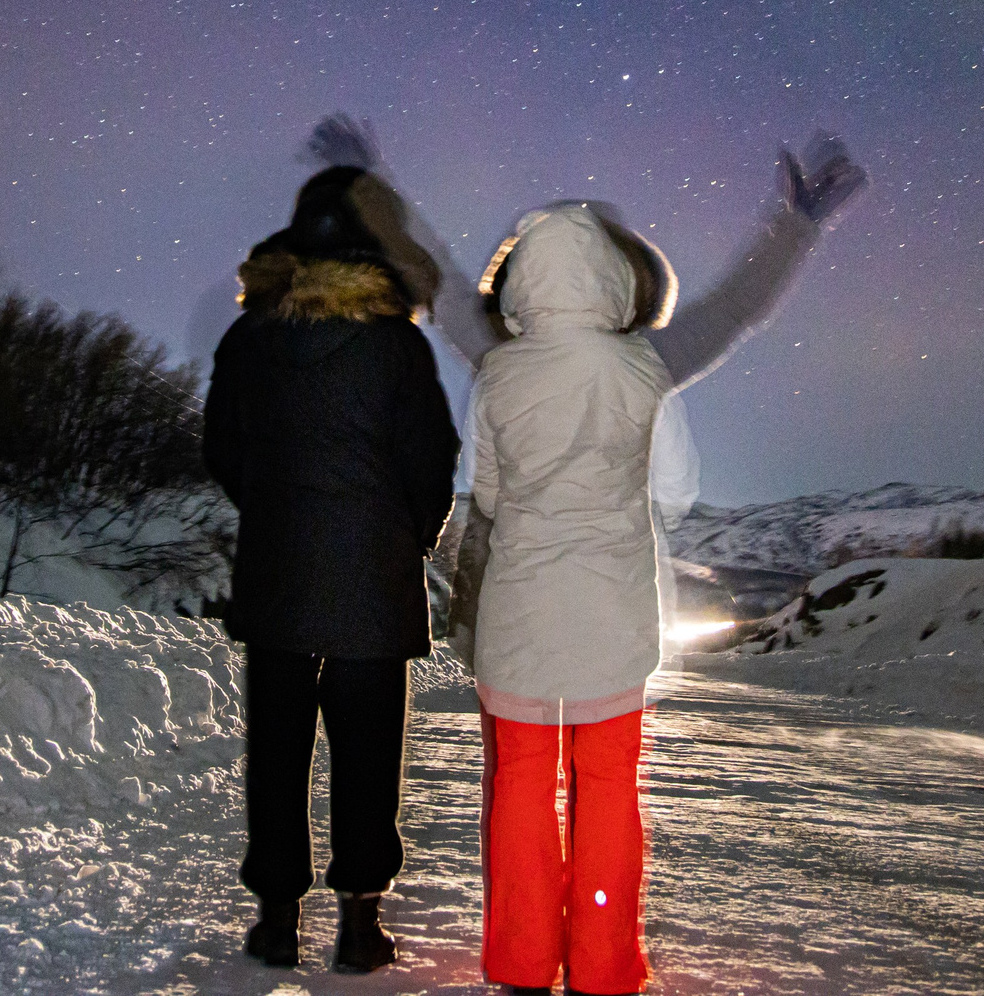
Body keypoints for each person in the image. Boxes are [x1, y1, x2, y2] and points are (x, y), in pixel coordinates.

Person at [303, 118, 864, 994]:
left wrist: (368, 181)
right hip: (612, 625)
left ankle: (524, 964)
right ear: (622, 278)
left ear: (522, 279)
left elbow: (441, 279)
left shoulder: (497, 364)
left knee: (519, 792)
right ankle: (604, 969)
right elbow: (732, 311)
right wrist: (793, 226)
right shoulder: (646, 364)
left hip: (519, 623)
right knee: (608, 795)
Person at [202, 163, 463, 974]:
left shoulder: (248, 338)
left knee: (276, 745)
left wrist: (274, 510)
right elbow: (432, 459)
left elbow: (223, 449)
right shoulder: (397, 344)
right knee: (367, 749)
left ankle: (276, 919)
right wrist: (408, 537)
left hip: (278, 569)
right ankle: (360, 921)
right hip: (374, 579)